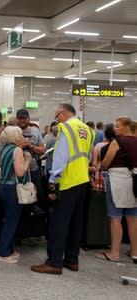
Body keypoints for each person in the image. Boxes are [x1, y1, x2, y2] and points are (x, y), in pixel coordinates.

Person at [31, 103, 94, 275]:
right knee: (76, 222)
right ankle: (72, 260)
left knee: (58, 222)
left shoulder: (65, 128)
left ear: (64, 114)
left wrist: (53, 179)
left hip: (67, 181)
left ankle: (54, 262)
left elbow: (61, 156)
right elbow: (88, 156)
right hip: (82, 179)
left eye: (57, 115)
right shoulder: (87, 129)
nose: (56, 119)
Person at [95, 117, 137, 263]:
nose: (115, 129)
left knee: (115, 218)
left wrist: (100, 167)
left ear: (127, 127)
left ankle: (114, 253)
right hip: (135, 181)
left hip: (118, 180)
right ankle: (134, 252)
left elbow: (106, 162)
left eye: (118, 126)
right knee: (132, 218)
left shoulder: (117, 142)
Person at [0, 126, 32, 263]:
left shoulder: (4, 148)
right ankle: (3, 253)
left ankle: (10, 249)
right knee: (12, 221)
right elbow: (20, 172)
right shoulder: (17, 150)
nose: (23, 137)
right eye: (21, 135)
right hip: (12, 189)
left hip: (3, 187)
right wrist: (27, 159)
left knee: (9, 219)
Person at [16, 109, 45, 185]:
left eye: (24, 118)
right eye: (20, 118)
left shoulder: (36, 131)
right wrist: (20, 146)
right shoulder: (12, 132)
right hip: (17, 170)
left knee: (36, 194)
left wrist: (31, 146)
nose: (22, 120)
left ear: (28, 119)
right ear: (16, 119)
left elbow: (43, 150)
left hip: (34, 170)